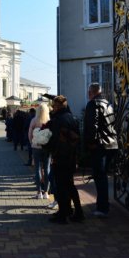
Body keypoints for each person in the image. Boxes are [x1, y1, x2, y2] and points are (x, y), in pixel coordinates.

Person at [46, 95, 84, 224]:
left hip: (61, 156)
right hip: (72, 157)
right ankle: (77, 212)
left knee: (61, 186)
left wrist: (46, 146)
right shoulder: (73, 118)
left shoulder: (58, 120)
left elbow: (56, 140)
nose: (52, 108)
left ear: (57, 106)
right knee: (70, 185)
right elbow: (78, 139)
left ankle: (63, 215)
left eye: (53, 106)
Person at [84, 82, 118, 218]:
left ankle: (102, 207)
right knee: (102, 176)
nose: (88, 94)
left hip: (100, 146)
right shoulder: (108, 104)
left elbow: (92, 125)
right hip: (111, 144)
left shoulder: (93, 104)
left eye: (89, 92)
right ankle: (103, 205)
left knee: (100, 177)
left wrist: (91, 143)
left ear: (91, 92)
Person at [28, 103, 50, 199]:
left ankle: (38, 192)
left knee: (37, 168)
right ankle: (46, 192)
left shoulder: (34, 120)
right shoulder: (49, 121)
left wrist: (31, 143)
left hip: (36, 147)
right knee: (47, 168)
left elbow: (30, 134)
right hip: (46, 147)